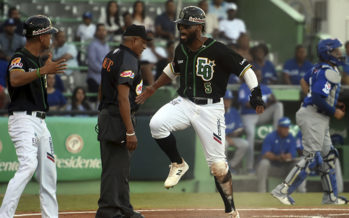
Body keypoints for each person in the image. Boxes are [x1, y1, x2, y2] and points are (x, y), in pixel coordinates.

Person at [136, 6, 265, 218]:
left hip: (211, 109)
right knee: (156, 124)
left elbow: (246, 69)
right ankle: (178, 163)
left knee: (218, 167)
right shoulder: (181, 48)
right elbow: (172, 69)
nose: (181, 28)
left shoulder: (218, 49)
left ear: (198, 26)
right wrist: (152, 88)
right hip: (185, 102)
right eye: (180, 25)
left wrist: (256, 91)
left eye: (185, 25)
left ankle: (231, 210)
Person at [0, 15, 66, 218]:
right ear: (40, 36)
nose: (51, 38)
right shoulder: (20, 57)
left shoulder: (37, 60)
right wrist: (43, 70)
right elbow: (15, 78)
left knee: (48, 174)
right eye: (49, 34)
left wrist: (43, 68)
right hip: (23, 119)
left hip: (40, 122)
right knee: (28, 166)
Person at [271, 38, 348, 205]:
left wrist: (323, 101)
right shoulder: (328, 71)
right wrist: (334, 110)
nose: (339, 54)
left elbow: (304, 82)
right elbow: (318, 98)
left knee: (328, 156)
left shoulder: (316, 68)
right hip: (314, 116)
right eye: (336, 51)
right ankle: (282, 190)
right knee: (311, 157)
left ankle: (330, 197)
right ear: (327, 53)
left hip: (316, 115)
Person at [96, 24, 150, 218]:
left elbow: (102, 87)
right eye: (143, 42)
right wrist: (130, 130)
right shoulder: (128, 58)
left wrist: (102, 111)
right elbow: (122, 97)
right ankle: (109, 212)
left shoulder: (112, 54)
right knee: (115, 169)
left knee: (119, 168)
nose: (145, 47)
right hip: (118, 118)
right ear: (134, 40)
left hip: (109, 115)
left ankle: (124, 209)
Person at [238, 69, 283, 174]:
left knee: (279, 106)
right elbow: (246, 104)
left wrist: (272, 99)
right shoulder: (244, 87)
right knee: (251, 135)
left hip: (261, 114)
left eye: (258, 75)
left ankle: (277, 134)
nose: (256, 77)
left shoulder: (265, 88)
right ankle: (249, 167)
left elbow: (273, 101)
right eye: (254, 75)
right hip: (248, 116)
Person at [256, 117, 299, 192]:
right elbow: (265, 154)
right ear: (279, 127)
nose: (286, 130)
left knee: (298, 164)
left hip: (285, 168)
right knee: (264, 163)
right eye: (284, 127)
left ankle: (298, 192)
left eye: (287, 127)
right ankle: (261, 192)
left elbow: (292, 155)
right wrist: (277, 157)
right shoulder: (270, 136)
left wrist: (285, 157)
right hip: (272, 168)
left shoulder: (291, 137)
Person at [224, 90, 248, 174]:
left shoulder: (233, 111)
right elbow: (213, 131)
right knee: (224, 144)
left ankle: (231, 166)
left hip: (232, 137)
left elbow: (240, 127)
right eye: (226, 99)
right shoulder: (216, 112)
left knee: (245, 144)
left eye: (229, 100)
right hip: (219, 139)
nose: (228, 101)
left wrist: (237, 132)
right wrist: (226, 138)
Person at [87, 23, 110, 103]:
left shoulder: (107, 45)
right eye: (99, 30)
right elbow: (92, 63)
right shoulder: (92, 45)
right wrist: (105, 70)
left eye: (103, 30)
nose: (102, 32)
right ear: (96, 32)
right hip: (94, 78)